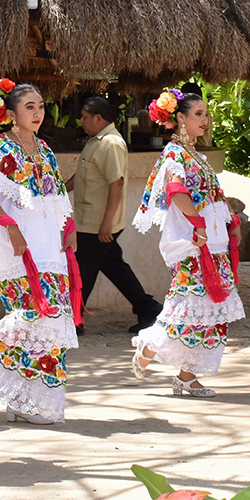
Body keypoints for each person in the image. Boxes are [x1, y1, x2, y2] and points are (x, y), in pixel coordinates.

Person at [0, 79, 78, 425]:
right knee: (31, 319)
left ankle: (27, 401)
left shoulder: (44, 149)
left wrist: (69, 230)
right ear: (11, 113)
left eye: (41, 106)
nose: (38, 112)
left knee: (50, 326)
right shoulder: (2, 147)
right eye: (29, 106)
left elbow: (58, 196)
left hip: (51, 249)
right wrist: (10, 226)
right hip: (21, 251)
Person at [131, 90, 244, 397]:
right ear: (180, 118)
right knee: (187, 308)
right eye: (198, 114)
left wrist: (230, 221)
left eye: (206, 114)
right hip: (193, 244)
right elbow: (176, 191)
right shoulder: (175, 155)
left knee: (210, 311)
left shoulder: (198, 157)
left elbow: (214, 196)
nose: (205, 120)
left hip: (212, 243)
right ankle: (150, 344)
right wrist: (198, 224)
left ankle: (186, 377)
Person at [66, 96, 161, 335]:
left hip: (98, 223)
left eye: (85, 117)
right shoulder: (96, 141)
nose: (81, 121)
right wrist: (57, 191)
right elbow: (81, 176)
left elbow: (116, 183)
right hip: (90, 220)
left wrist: (107, 223)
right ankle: (147, 307)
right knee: (113, 266)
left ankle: (72, 321)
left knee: (83, 270)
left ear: (98, 118)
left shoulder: (111, 143)